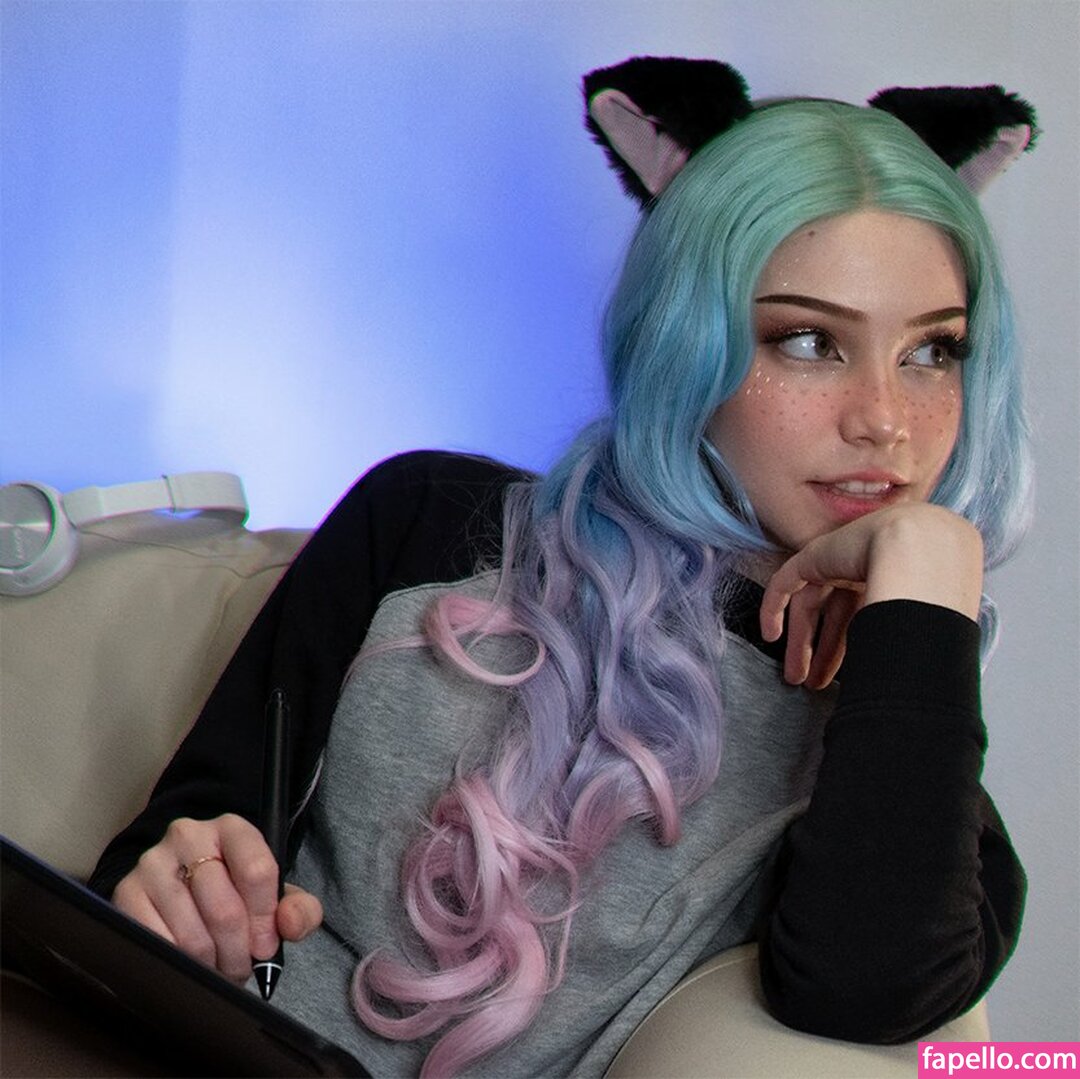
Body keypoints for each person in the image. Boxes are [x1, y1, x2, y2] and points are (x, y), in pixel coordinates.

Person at [89, 58, 1037, 1078]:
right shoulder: (426, 521)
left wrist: (928, 580)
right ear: (686, 342)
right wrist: (176, 882)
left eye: (934, 351)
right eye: (810, 340)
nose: (886, 420)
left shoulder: (919, 789)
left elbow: (863, 994)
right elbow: (170, 847)